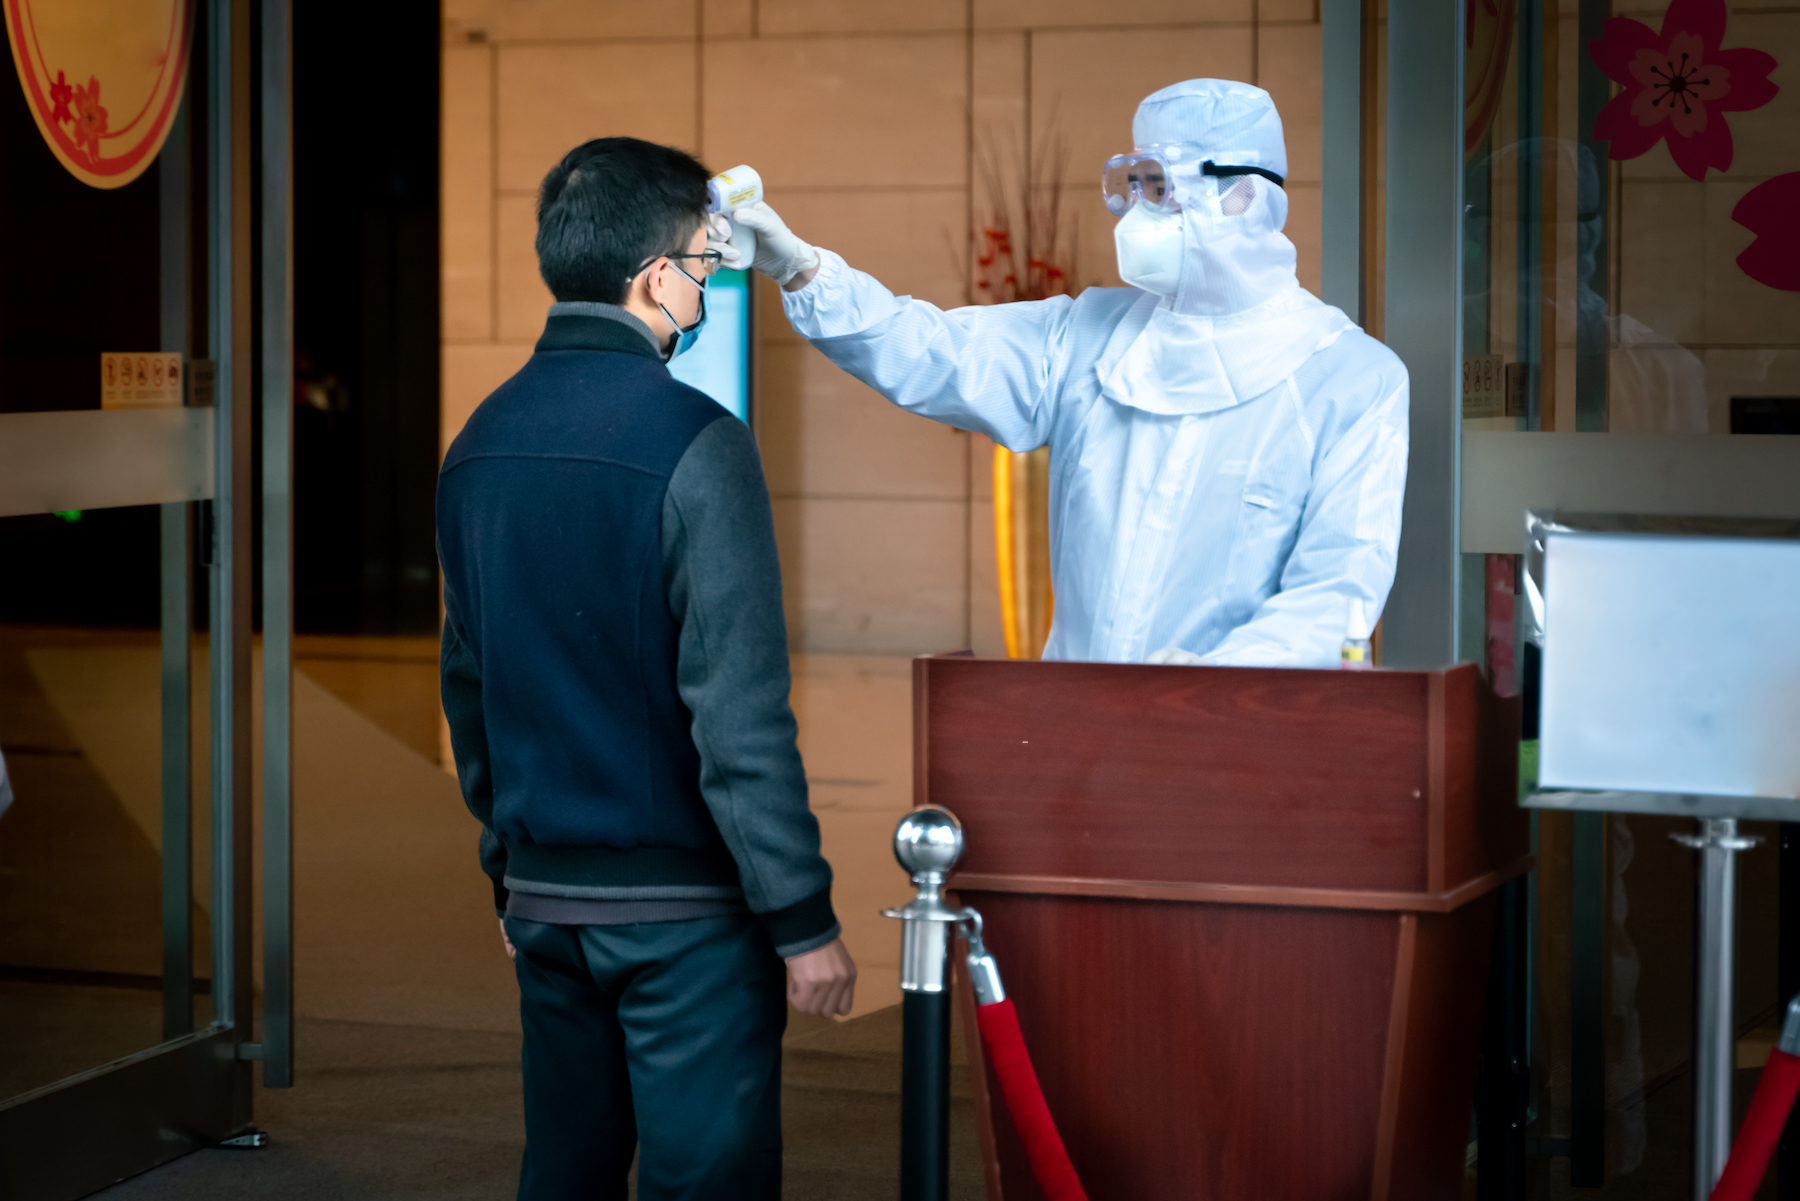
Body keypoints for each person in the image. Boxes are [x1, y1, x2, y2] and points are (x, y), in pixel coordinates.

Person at [437, 136, 856, 1201]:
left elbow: (472, 687)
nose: (705, 287)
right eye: (703, 269)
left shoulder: (477, 445)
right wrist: (802, 918)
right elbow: (738, 713)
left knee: (565, 1173)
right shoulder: (697, 441)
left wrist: (509, 871)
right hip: (687, 923)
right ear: (655, 276)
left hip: (546, 903)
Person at [722, 79, 1411, 666]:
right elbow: (930, 349)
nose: (1138, 212)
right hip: (1074, 738)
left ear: (1243, 199)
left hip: (1242, 752)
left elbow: (1337, 596)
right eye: (1132, 186)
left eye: (1161, 189)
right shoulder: (1088, 337)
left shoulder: (1351, 380)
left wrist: (1205, 687)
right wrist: (803, 269)